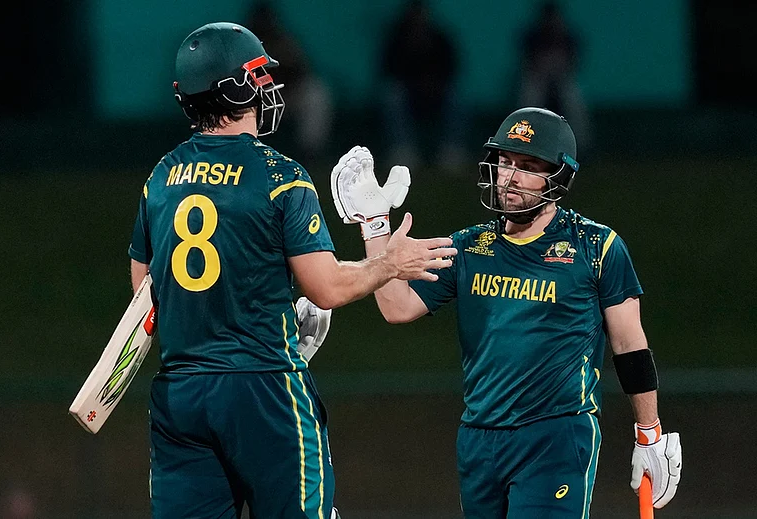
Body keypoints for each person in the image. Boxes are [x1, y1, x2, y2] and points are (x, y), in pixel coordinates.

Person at [128, 22, 456, 519]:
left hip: (180, 394)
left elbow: (146, 293)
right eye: (257, 75)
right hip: (264, 389)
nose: (267, 85)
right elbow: (326, 289)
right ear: (235, 88)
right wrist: (388, 262)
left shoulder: (160, 178)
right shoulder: (281, 176)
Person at [330, 107, 682, 518]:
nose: (509, 177)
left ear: (558, 177)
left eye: (527, 167)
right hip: (479, 440)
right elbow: (397, 307)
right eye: (504, 161)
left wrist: (649, 434)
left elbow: (629, 344)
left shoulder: (595, 246)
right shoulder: (468, 247)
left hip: (556, 436)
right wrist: (376, 226)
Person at [380, 0, 465, 170]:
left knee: (457, 98)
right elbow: (388, 71)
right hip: (408, 94)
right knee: (393, 98)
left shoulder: (439, 38)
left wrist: (434, 85)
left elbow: (452, 68)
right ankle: (403, 150)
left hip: (438, 92)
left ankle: (451, 150)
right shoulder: (397, 40)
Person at [245, 1, 335, 159]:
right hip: (252, 99)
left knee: (315, 95)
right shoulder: (242, 45)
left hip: (285, 94)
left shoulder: (283, 41)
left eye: (267, 22)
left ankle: (309, 153)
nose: (264, 26)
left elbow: (302, 71)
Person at [518, 1, 591, 155]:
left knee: (573, 101)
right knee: (529, 101)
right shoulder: (532, 36)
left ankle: (581, 148)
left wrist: (556, 69)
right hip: (538, 79)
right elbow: (526, 64)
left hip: (562, 80)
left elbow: (574, 64)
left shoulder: (568, 36)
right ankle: (522, 144)